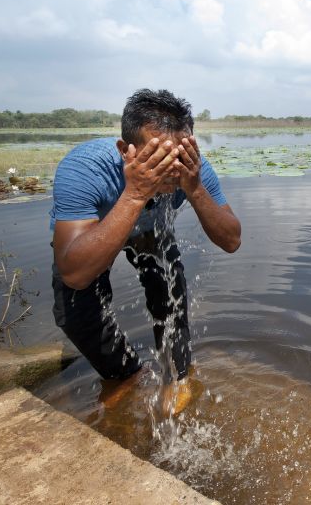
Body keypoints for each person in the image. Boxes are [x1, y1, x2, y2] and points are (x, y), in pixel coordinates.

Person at [49, 89, 241, 409]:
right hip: (100, 229)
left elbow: (231, 240)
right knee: (75, 315)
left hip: (151, 232)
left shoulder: (193, 170)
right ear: (126, 151)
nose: (171, 169)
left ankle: (177, 376)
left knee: (170, 296)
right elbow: (74, 273)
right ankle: (128, 374)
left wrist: (193, 188)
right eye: (157, 157)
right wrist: (136, 194)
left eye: (178, 156)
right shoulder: (84, 169)